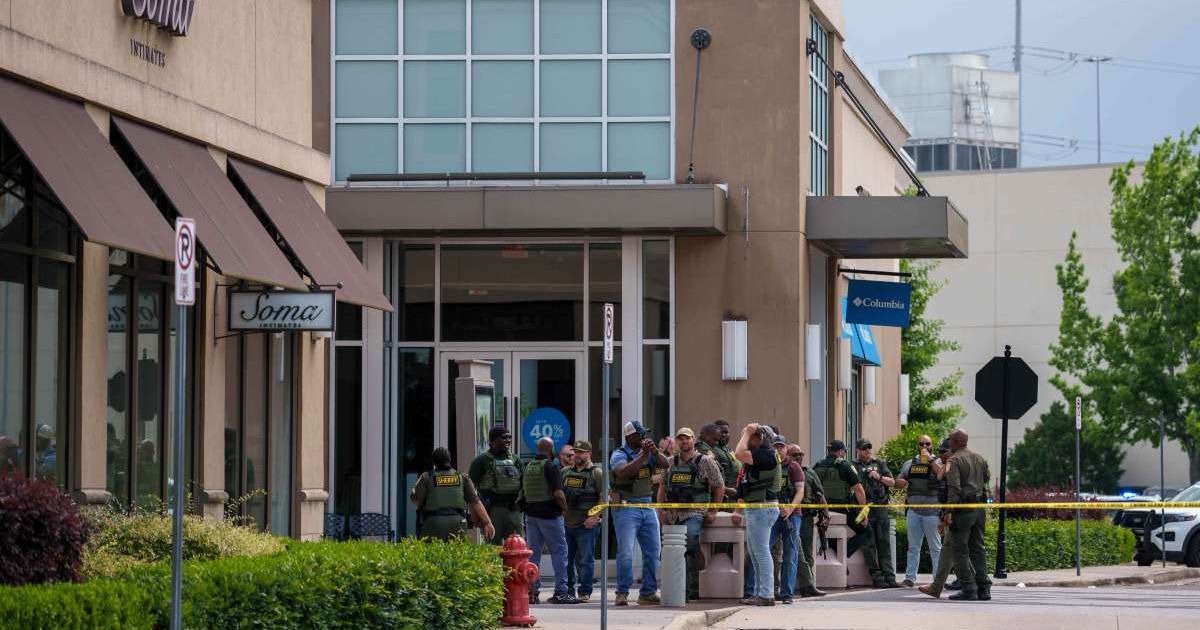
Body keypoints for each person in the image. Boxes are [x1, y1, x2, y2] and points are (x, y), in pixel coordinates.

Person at [920, 430, 992, 601]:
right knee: (978, 548)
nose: (949, 442)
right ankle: (984, 587)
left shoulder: (955, 459)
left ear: (957, 442)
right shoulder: (979, 458)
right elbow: (986, 477)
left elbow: (954, 488)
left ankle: (968, 587)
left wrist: (949, 511)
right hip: (979, 508)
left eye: (951, 439)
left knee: (960, 549)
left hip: (963, 510)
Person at [658, 427, 724, 601]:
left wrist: (713, 511)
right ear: (677, 442)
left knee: (689, 540)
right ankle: (682, 591)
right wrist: (661, 510)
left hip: (695, 512)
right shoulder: (671, 462)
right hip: (673, 515)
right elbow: (663, 487)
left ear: (693, 440)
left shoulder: (706, 461)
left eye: (687, 438)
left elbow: (719, 487)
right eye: (680, 439)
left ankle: (692, 584)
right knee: (674, 551)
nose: (684, 442)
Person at [610, 420, 669, 606]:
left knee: (653, 552)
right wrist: (643, 455)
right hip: (627, 507)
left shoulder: (648, 453)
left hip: (647, 506)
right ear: (630, 436)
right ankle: (622, 592)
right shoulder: (619, 454)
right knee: (626, 552)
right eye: (640, 434)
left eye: (644, 433)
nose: (644, 436)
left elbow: (666, 465)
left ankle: (648, 592)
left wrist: (655, 452)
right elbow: (624, 472)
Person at [523, 436, 578, 605]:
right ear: (550, 449)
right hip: (550, 516)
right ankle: (561, 592)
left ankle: (532, 592)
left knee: (533, 554)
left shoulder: (529, 466)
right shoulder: (551, 466)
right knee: (560, 553)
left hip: (531, 516)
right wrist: (564, 508)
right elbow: (558, 493)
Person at [812, 440, 877, 580]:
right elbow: (859, 489)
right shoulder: (844, 465)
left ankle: (836, 552)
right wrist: (863, 512)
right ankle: (840, 553)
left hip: (822, 510)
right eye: (845, 451)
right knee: (866, 531)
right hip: (842, 508)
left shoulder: (817, 465)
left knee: (833, 538)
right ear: (840, 451)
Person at [734, 423, 781, 607]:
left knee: (761, 552)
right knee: (755, 552)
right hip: (757, 508)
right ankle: (759, 593)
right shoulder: (762, 455)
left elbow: (738, 453)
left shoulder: (766, 454)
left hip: (763, 508)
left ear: (760, 438)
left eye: (752, 436)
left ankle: (766, 594)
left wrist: (747, 432)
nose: (747, 439)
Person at [410, 447, 495, 541]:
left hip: (433, 523)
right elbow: (476, 502)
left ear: (433, 462)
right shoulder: (462, 477)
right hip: (458, 523)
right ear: (449, 460)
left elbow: (416, 499)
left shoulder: (426, 477)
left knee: (432, 554)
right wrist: (487, 523)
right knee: (457, 554)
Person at [895, 434, 945, 587]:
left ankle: (937, 580)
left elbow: (942, 475)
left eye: (927, 443)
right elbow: (899, 482)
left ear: (932, 445)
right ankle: (910, 578)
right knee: (913, 548)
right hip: (914, 511)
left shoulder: (938, 462)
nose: (924, 446)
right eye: (921, 444)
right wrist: (899, 482)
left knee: (935, 548)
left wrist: (929, 459)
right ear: (917, 445)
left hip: (933, 512)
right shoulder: (910, 463)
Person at [855, 439, 899, 588]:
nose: (867, 452)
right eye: (864, 449)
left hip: (880, 507)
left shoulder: (879, 464)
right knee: (869, 545)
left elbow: (893, 482)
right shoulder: (854, 466)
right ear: (858, 450)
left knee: (884, 543)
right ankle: (877, 576)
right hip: (865, 508)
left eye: (869, 449)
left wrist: (878, 476)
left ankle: (890, 576)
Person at [469, 426, 524, 544]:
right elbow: (470, 491)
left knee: (517, 549)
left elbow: (524, 486)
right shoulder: (481, 461)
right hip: (492, 511)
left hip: (514, 511)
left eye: (510, 437)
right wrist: (475, 515)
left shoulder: (516, 460)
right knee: (492, 550)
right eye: (504, 438)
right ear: (493, 441)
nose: (508, 440)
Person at [766, 434, 805, 603]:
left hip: (792, 516)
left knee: (790, 555)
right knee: (763, 551)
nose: (778, 450)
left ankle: (787, 594)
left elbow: (800, 491)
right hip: (772, 514)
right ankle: (761, 591)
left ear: (786, 448)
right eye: (775, 447)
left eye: (780, 447)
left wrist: (789, 509)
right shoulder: (767, 465)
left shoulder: (793, 466)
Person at [563, 440, 603, 602]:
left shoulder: (596, 473)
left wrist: (594, 517)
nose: (577, 455)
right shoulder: (565, 472)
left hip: (586, 524)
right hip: (567, 523)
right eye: (575, 452)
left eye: (581, 452)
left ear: (589, 454)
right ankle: (568, 590)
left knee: (586, 559)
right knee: (567, 560)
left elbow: (603, 497)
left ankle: (585, 591)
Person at [788, 444, 826, 597]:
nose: (798, 457)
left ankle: (808, 585)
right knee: (793, 552)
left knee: (807, 552)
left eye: (800, 454)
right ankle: (800, 585)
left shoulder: (809, 472)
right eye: (795, 454)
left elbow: (820, 494)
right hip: (789, 515)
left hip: (807, 516)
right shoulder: (785, 470)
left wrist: (826, 514)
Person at [699, 423, 739, 502]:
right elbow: (706, 479)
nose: (716, 443)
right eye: (715, 439)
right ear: (706, 436)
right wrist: (726, 489)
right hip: (709, 496)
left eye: (726, 432)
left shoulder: (725, 449)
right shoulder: (703, 451)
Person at [712, 420, 742, 501]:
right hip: (722, 497)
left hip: (735, 495)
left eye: (726, 432)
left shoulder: (728, 449)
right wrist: (726, 489)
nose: (724, 435)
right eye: (721, 432)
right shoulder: (712, 450)